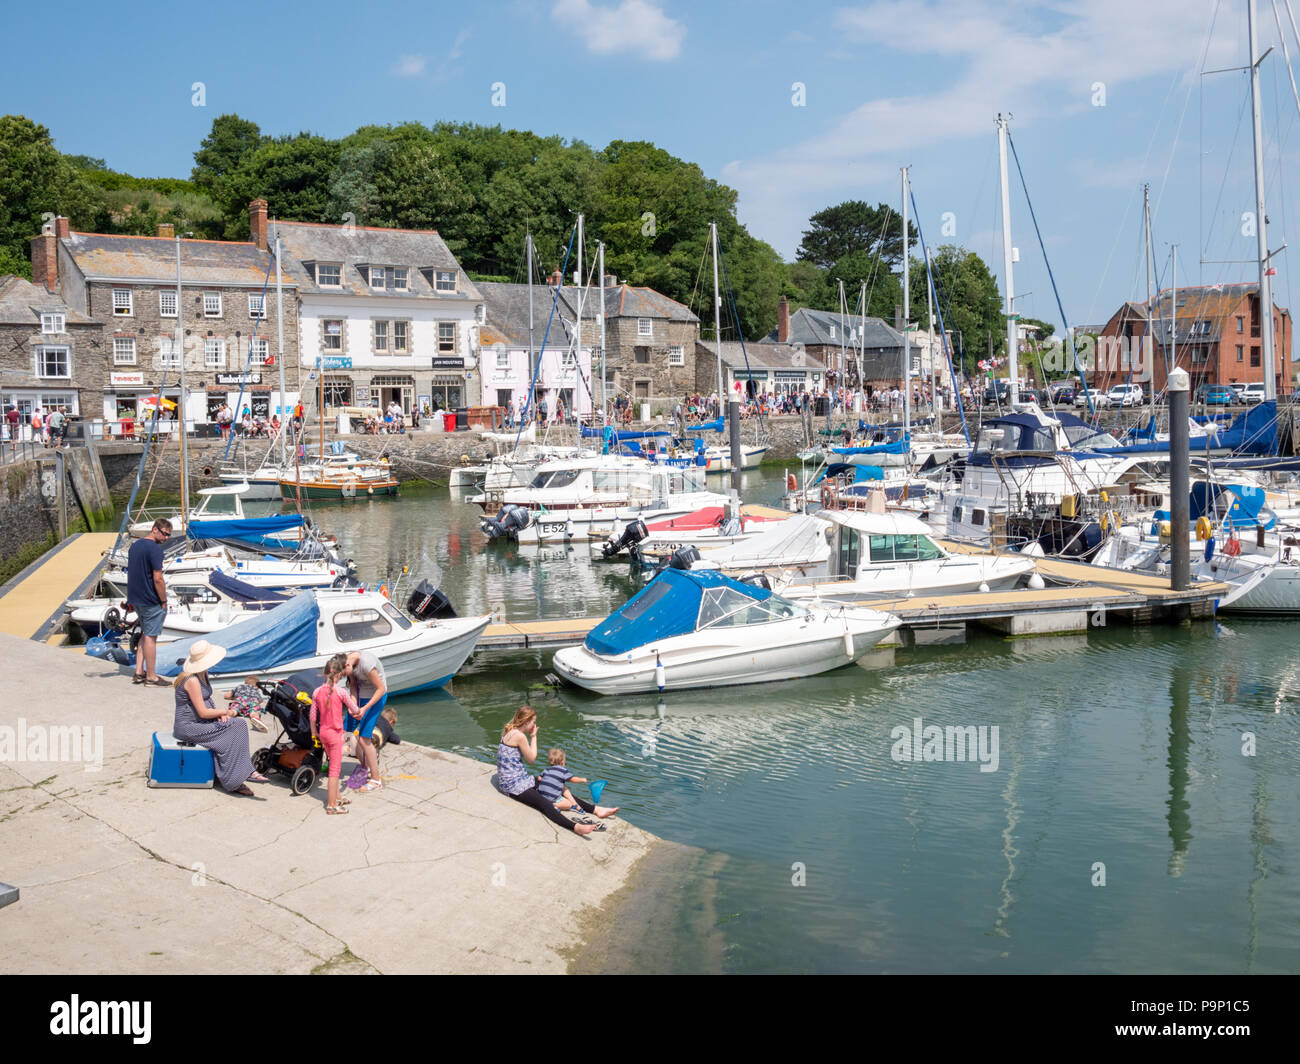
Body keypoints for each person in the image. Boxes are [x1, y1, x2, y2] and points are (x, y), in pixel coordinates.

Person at [172, 640, 266, 796]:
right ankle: (237, 777)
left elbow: (206, 704)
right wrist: (224, 711)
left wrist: (219, 714)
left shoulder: (203, 673)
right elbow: (202, 712)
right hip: (189, 727)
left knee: (236, 726)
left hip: (201, 722)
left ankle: (237, 775)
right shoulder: (192, 680)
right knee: (237, 725)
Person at [495, 707, 601, 837]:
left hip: (520, 778)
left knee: (555, 784)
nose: (534, 725)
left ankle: (594, 809)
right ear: (526, 721)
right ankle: (575, 827)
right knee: (543, 803)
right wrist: (533, 737)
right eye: (533, 722)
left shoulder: (510, 731)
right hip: (512, 786)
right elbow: (532, 759)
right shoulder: (519, 736)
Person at [128, 518, 172, 685]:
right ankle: (151, 676)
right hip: (150, 600)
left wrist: (130, 598)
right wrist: (163, 601)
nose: (166, 537)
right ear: (154, 529)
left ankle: (139, 672)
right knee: (151, 638)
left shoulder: (135, 546)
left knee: (145, 633)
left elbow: (132, 573)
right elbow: (158, 578)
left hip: (137, 598)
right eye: (164, 533)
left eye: (168, 535)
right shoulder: (154, 550)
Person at [311, 654, 355, 815]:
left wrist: (314, 732)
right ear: (338, 675)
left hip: (323, 733)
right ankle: (331, 805)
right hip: (335, 735)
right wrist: (358, 712)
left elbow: (312, 716)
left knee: (332, 764)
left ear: (324, 674)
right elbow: (353, 709)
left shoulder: (316, 691)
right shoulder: (341, 692)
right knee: (334, 771)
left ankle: (337, 797)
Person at [344, 649, 387, 791]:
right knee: (347, 733)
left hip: (376, 698)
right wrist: (353, 705)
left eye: (345, 674)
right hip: (361, 698)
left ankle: (376, 780)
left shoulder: (366, 663)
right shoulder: (348, 663)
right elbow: (354, 688)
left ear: (348, 665)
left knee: (364, 738)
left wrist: (364, 708)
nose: (345, 677)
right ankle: (366, 765)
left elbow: (381, 689)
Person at [537, 748, 618, 820]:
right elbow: (573, 779)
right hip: (552, 798)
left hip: (541, 794)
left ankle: (577, 806)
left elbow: (539, 778)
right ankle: (553, 805)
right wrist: (582, 780)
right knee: (568, 804)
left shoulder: (546, 770)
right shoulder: (562, 771)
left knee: (562, 785)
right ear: (562, 762)